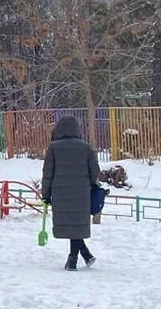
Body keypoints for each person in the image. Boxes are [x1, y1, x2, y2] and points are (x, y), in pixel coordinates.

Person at [42, 114, 101, 271]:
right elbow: (95, 172)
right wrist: (87, 184)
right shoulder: (86, 147)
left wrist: (45, 195)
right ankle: (82, 256)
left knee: (70, 223)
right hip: (82, 194)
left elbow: (47, 173)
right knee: (76, 224)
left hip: (60, 194)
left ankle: (75, 258)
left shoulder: (54, 148)